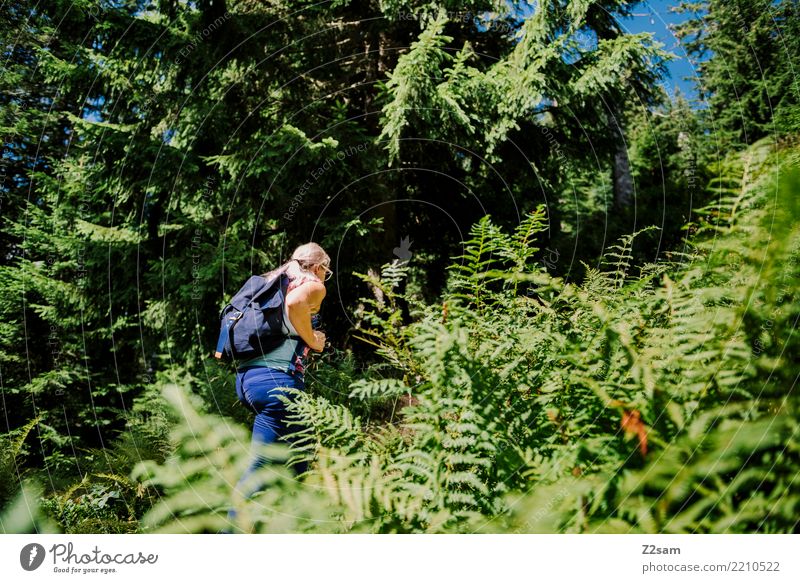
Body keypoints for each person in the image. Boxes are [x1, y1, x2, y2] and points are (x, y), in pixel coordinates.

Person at [230, 242, 331, 506]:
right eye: (326, 271)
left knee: (297, 458)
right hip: (277, 383)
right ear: (319, 267)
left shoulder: (273, 282)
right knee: (265, 467)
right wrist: (312, 340)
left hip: (247, 380)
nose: (325, 277)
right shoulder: (312, 285)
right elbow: (296, 302)